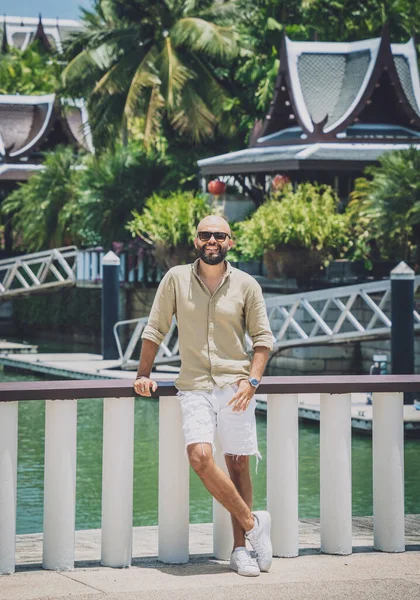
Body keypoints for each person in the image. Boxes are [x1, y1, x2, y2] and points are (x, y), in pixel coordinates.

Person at [133, 215, 274, 577]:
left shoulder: (247, 285)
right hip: (194, 384)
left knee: (239, 463)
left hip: (236, 388)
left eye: (219, 235)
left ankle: (240, 549)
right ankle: (254, 523)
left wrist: (252, 382)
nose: (212, 240)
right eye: (205, 234)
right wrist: (143, 374)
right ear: (196, 240)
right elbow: (155, 329)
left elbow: (263, 341)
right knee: (199, 456)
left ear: (231, 241)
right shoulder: (176, 279)